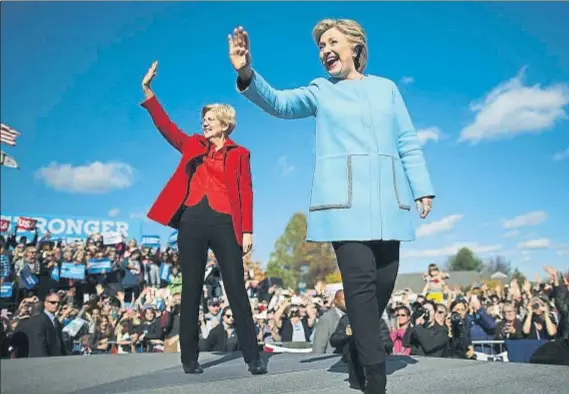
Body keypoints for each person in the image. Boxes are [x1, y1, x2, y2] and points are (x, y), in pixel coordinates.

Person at [228, 19, 434, 393]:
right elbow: (280, 103)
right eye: (321, 45)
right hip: (344, 206)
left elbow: (407, 140)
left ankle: (357, 344)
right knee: (360, 288)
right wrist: (246, 73)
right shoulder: (320, 90)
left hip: (389, 204)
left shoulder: (386, 89)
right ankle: (375, 377)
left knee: (383, 283)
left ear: (355, 46)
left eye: (332, 41)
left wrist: (422, 188)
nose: (324, 50)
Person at [140, 61, 266, 375]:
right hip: (192, 221)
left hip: (226, 223)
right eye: (204, 119)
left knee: (236, 288)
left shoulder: (240, 154)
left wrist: (247, 231)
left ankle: (253, 357)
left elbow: (246, 192)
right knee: (191, 289)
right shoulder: (192, 144)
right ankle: (189, 359)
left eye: (211, 119)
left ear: (225, 124)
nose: (205, 123)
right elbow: (166, 127)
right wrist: (148, 93)